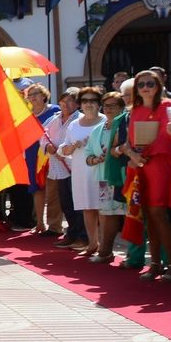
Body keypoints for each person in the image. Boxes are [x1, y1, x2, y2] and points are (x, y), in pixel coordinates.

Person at [127, 70, 171, 280]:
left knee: (159, 214)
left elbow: (167, 137)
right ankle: (154, 264)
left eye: (150, 83)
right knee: (148, 215)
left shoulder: (167, 106)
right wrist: (132, 154)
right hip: (141, 166)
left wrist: (142, 155)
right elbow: (130, 140)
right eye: (141, 84)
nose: (146, 87)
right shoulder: (135, 110)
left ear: (158, 86)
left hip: (160, 164)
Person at [62, 88, 104, 260]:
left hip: (101, 171)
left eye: (93, 100)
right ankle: (92, 243)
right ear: (80, 104)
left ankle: (104, 245)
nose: (89, 104)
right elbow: (64, 149)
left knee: (102, 209)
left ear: (99, 103)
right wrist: (73, 146)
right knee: (87, 208)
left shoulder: (105, 122)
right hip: (80, 171)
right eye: (85, 101)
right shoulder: (74, 125)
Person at [45, 88, 87, 251]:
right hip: (58, 167)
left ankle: (83, 236)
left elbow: (81, 141)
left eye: (69, 101)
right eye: (63, 101)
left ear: (77, 104)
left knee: (79, 204)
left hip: (74, 167)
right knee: (66, 204)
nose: (65, 104)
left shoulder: (80, 119)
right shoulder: (54, 119)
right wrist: (47, 145)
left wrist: (65, 151)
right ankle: (72, 233)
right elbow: (43, 135)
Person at [90, 89, 128, 264]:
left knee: (131, 215)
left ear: (122, 107)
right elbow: (88, 153)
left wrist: (116, 152)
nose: (108, 109)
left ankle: (135, 256)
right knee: (108, 213)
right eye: (105, 105)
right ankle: (105, 251)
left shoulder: (124, 124)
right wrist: (95, 158)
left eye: (112, 105)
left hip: (123, 175)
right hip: (104, 178)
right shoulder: (98, 129)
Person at [24, 84, 60, 235]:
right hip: (32, 154)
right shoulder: (26, 115)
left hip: (50, 155)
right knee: (37, 188)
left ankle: (55, 225)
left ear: (44, 95)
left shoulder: (55, 110)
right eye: (30, 94)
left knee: (52, 189)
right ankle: (40, 223)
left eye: (36, 93)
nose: (33, 97)